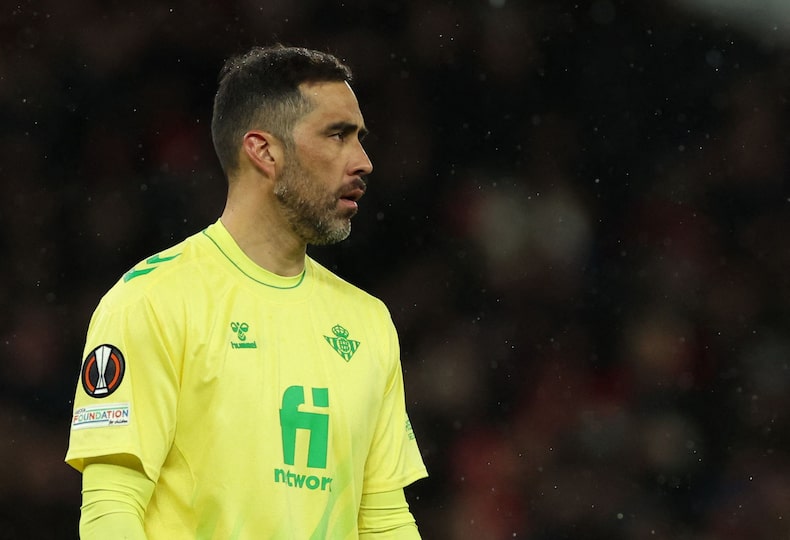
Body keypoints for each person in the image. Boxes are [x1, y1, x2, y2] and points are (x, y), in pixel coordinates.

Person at [65, 44, 428, 539]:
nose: (363, 161)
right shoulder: (151, 301)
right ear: (264, 150)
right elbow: (111, 509)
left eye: (359, 138)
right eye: (337, 135)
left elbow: (385, 520)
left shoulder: (368, 322)